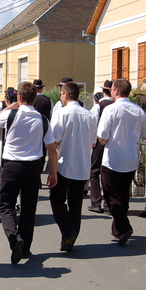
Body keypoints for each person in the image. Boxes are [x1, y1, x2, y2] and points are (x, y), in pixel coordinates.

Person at [0, 81, 58, 264]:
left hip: (13, 165)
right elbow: (51, 148)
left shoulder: (11, 114)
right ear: (35, 98)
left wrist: (11, 105)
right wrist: (53, 173)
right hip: (34, 167)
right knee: (29, 208)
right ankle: (25, 248)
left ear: (19, 97)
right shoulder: (43, 120)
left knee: (6, 205)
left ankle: (14, 238)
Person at [97, 78, 146, 245]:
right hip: (131, 158)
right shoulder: (139, 110)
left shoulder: (111, 110)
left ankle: (124, 226)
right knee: (123, 194)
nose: (111, 92)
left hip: (113, 158)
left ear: (116, 91)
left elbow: (102, 137)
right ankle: (118, 229)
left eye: (112, 89)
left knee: (111, 195)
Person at [49, 82, 97, 252]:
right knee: (76, 204)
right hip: (83, 165)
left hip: (64, 164)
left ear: (67, 95)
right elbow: (93, 143)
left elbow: (54, 141)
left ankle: (67, 230)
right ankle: (71, 236)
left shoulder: (62, 113)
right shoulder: (90, 116)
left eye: (61, 93)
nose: (61, 96)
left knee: (56, 199)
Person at [88, 80, 114, 214]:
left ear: (103, 91)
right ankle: (109, 205)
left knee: (94, 172)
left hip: (99, 141)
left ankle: (96, 202)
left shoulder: (99, 106)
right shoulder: (117, 105)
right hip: (114, 143)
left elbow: (92, 124)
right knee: (109, 172)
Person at [33, 79, 53, 188]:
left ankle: (35, 178)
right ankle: (38, 177)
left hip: (33, 130)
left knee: (34, 153)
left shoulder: (32, 99)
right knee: (42, 154)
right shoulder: (48, 100)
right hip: (44, 130)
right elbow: (51, 115)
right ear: (42, 88)